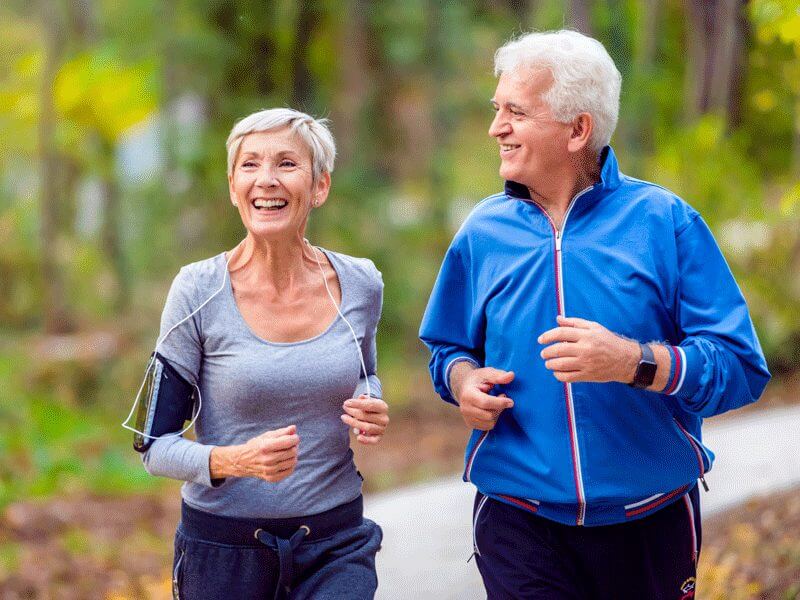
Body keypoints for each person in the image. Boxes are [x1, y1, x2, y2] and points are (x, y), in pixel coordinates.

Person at [419, 30, 770, 600]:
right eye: (496, 109)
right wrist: (462, 382)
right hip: (517, 518)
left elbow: (739, 368)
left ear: (577, 130)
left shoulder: (665, 222)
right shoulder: (482, 233)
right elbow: (447, 349)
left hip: (650, 520)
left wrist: (635, 361)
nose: (496, 128)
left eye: (516, 112)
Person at [137, 108, 388, 599]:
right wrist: (237, 460)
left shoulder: (360, 283)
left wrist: (369, 401)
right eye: (250, 165)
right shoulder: (197, 291)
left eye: (287, 164)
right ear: (233, 187)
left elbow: (366, 372)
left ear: (319, 187)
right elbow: (154, 445)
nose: (266, 180)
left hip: (336, 543)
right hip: (223, 552)